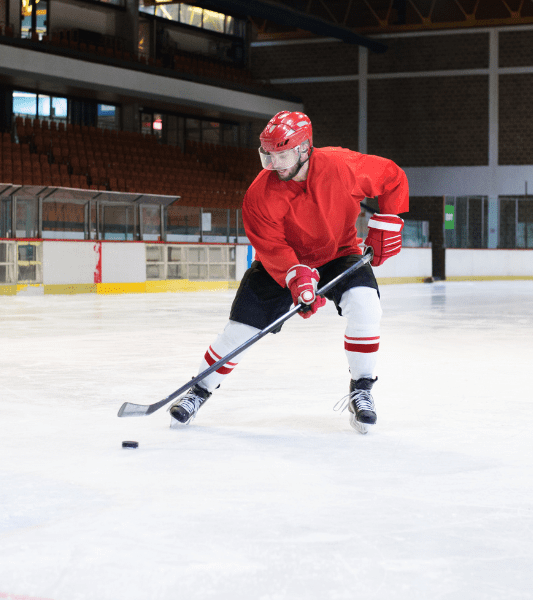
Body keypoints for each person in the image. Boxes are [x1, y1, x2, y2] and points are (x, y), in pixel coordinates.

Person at [168, 111, 409, 434]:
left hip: (339, 253)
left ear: (305, 148)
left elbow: (392, 177)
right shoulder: (259, 194)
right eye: (269, 155)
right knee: (239, 330)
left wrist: (388, 220)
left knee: (366, 306)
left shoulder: (342, 166)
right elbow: (271, 246)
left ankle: (361, 389)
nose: (276, 163)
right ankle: (199, 390)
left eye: (283, 154)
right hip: (284, 263)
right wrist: (294, 275)